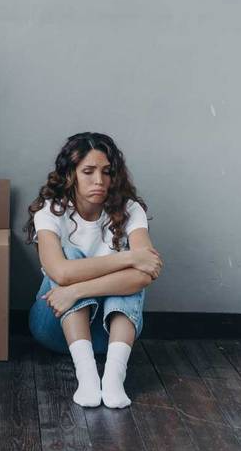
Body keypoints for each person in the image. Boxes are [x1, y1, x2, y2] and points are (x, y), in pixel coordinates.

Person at [25, 132, 163, 409]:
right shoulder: (50, 213)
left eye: (106, 172)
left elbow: (144, 274)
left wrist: (76, 290)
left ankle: (113, 377)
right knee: (73, 255)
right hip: (53, 326)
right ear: (70, 175)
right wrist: (129, 257)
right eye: (88, 171)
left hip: (108, 336)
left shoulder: (129, 210)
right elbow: (61, 273)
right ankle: (86, 376)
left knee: (132, 280)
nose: (99, 181)